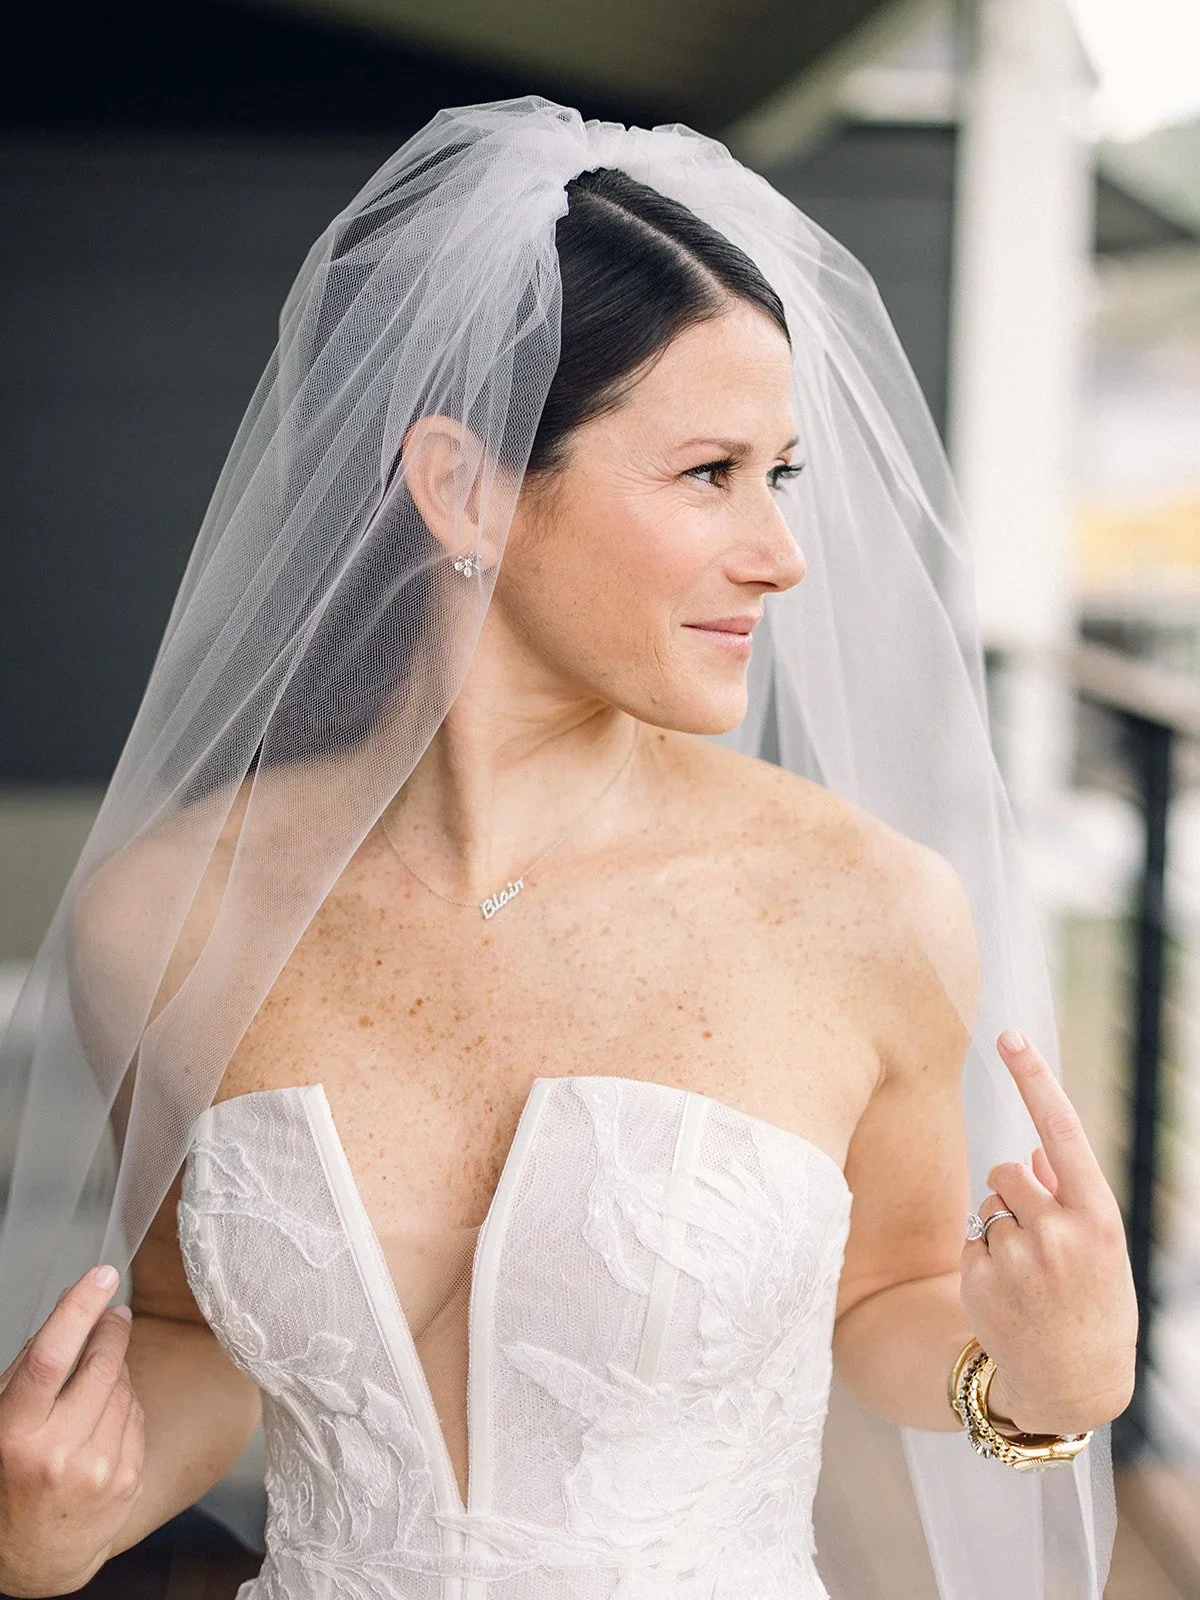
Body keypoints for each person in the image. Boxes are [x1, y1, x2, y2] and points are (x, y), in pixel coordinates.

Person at [0, 98, 1134, 1598]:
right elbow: (194, 1334)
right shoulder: (166, 915)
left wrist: (1037, 1382)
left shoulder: (865, 906)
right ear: (460, 485)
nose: (782, 551)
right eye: (707, 472)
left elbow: (892, 1298)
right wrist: (51, 1524)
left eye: (779, 474)